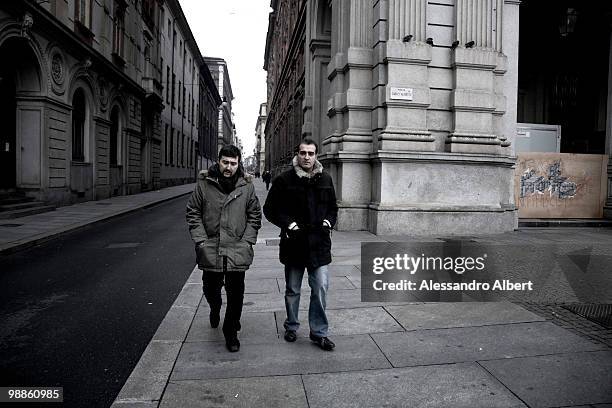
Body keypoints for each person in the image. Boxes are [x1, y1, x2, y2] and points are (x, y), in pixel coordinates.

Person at [263, 138, 338, 351]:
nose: (306, 157)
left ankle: (319, 332)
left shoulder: (326, 179)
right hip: (294, 244)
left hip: (319, 244)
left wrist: (328, 222)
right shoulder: (284, 180)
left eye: (311, 153)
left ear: (316, 155)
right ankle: (292, 326)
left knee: (321, 287)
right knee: (293, 289)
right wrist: (288, 224)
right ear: (297, 155)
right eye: (303, 153)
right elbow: (269, 209)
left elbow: (333, 208)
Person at [186, 145, 261, 352]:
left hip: (237, 248)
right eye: (225, 162)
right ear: (218, 161)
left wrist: (247, 241)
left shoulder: (246, 186)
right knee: (210, 289)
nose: (229, 167)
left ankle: (231, 333)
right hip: (211, 247)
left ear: (239, 164)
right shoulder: (204, 184)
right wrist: (201, 240)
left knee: (236, 294)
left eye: (233, 163)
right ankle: (215, 307)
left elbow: (254, 215)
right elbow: (193, 212)